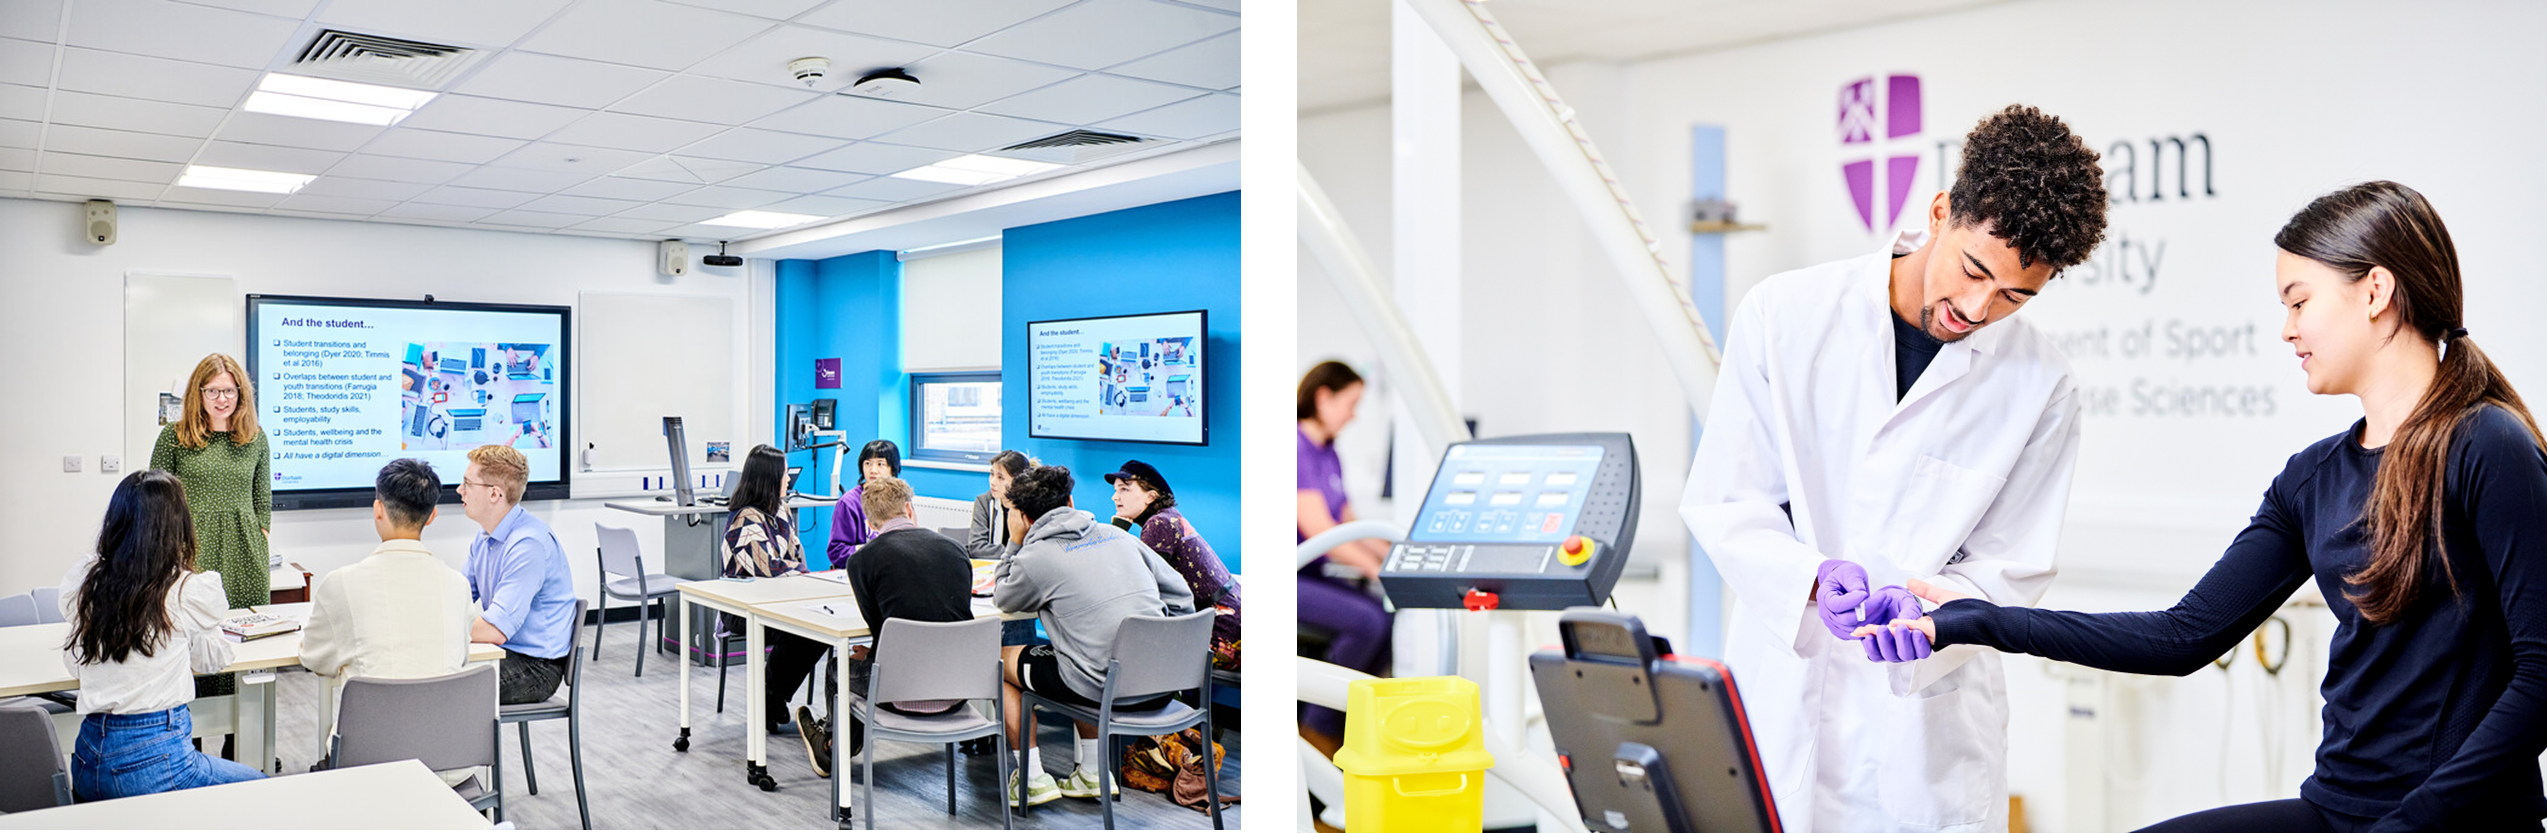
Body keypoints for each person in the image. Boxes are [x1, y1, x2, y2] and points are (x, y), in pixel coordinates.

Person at [1870, 182, 2547, 832]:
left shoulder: (2487, 445)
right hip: (2338, 809)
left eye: (2298, 301)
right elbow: (2180, 636)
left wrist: (2414, 821)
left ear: (2374, 290)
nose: (2286, 330)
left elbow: (2542, 673)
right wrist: (1978, 619)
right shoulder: (2311, 478)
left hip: (2459, 821)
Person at [1679, 104, 2107, 831]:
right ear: (1940, 211)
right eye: (1973, 269)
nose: (1976, 307)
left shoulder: (2041, 385)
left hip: (1925, 737)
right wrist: (1809, 578)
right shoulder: (1784, 315)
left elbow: (2009, 567)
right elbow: (1726, 498)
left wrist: (1935, 611)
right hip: (1781, 699)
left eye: (2014, 294)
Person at [993, 465, 1196, 806]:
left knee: (998, 661)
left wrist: (1013, 544)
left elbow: (1004, 598)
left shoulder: (1034, 556)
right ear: (1071, 501)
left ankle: (1031, 780)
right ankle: (1091, 774)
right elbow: (1182, 598)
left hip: (1102, 688)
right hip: (1163, 685)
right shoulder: (1120, 536)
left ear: (1024, 518)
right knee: (1078, 653)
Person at [58, 469, 265, 800]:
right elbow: (213, 660)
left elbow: (76, 665)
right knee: (265, 788)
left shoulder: (88, 580)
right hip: (156, 761)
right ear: (176, 526)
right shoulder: (187, 590)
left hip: (87, 761)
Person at [297, 458, 477, 787]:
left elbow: (314, 659)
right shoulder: (457, 585)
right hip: (451, 763)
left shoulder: (341, 584)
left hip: (368, 763)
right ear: (433, 515)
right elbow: (461, 658)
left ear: (378, 509)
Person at [817, 475, 975, 777]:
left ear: (870, 522)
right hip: (960, 686)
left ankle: (833, 748)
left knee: (838, 667)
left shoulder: (862, 561)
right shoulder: (956, 550)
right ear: (909, 508)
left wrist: (874, 652)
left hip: (898, 690)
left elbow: (881, 627)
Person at [149, 353, 271, 737]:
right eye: (214, 390)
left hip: (244, 552)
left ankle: (244, 743)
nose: (222, 399)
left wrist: (258, 538)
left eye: (230, 391)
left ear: (242, 393)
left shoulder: (255, 439)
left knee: (247, 647)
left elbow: (262, 503)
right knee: (191, 644)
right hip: (189, 554)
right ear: (198, 393)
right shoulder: (174, 437)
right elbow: (154, 499)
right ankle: (191, 742)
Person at [715, 444, 833, 773]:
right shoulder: (744, 520)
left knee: (818, 628)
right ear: (769, 479)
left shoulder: (779, 511)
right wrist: (796, 573)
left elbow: (796, 560)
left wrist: (797, 574)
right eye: (783, 474)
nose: (787, 479)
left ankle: (772, 694)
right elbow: (770, 569)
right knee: (806, 629)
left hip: (779, 602)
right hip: (744, 610)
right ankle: (772, 695)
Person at [1294, 360, 1390, 747]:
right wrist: (1372, 568)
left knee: (1385, 619)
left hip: (1312, 575)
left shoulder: (1328, 453)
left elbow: (1350, 522)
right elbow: (1320, 529)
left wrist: (1395, 558)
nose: (1353, 416)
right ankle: (1318, 734)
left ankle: (1353, 730)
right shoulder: (1298, 447)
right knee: (1367, 623)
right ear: (1323, 397)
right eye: (1350, 403)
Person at [460, 444, 578, 705]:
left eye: (467, 483)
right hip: (505, 652)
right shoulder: (484, 536)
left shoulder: (528, 544)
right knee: (432, 670)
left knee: (441, 683)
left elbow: (495, 630)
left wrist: (436, 629)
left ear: (494, 494)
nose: (460, 490)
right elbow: (458, 596)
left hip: (536, 668)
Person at [1107, 460, 1240, 671]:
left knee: (1134, 655)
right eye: (1115, 490)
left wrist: (1118, 531)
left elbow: (1139, 586)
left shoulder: (1158, 524)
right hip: (1230, 624)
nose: (1115, 497)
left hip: (1222, 635)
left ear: (1151, 496)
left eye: (1124, 489)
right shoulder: (1170, 518)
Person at [825, 439, 901, 569]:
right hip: (861, 571)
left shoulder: (901, 498)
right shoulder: (848, 503)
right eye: (867, 463)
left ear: (892, 468)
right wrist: (874, 551)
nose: (873, 470)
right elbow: (837, 552)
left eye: (880, 464)